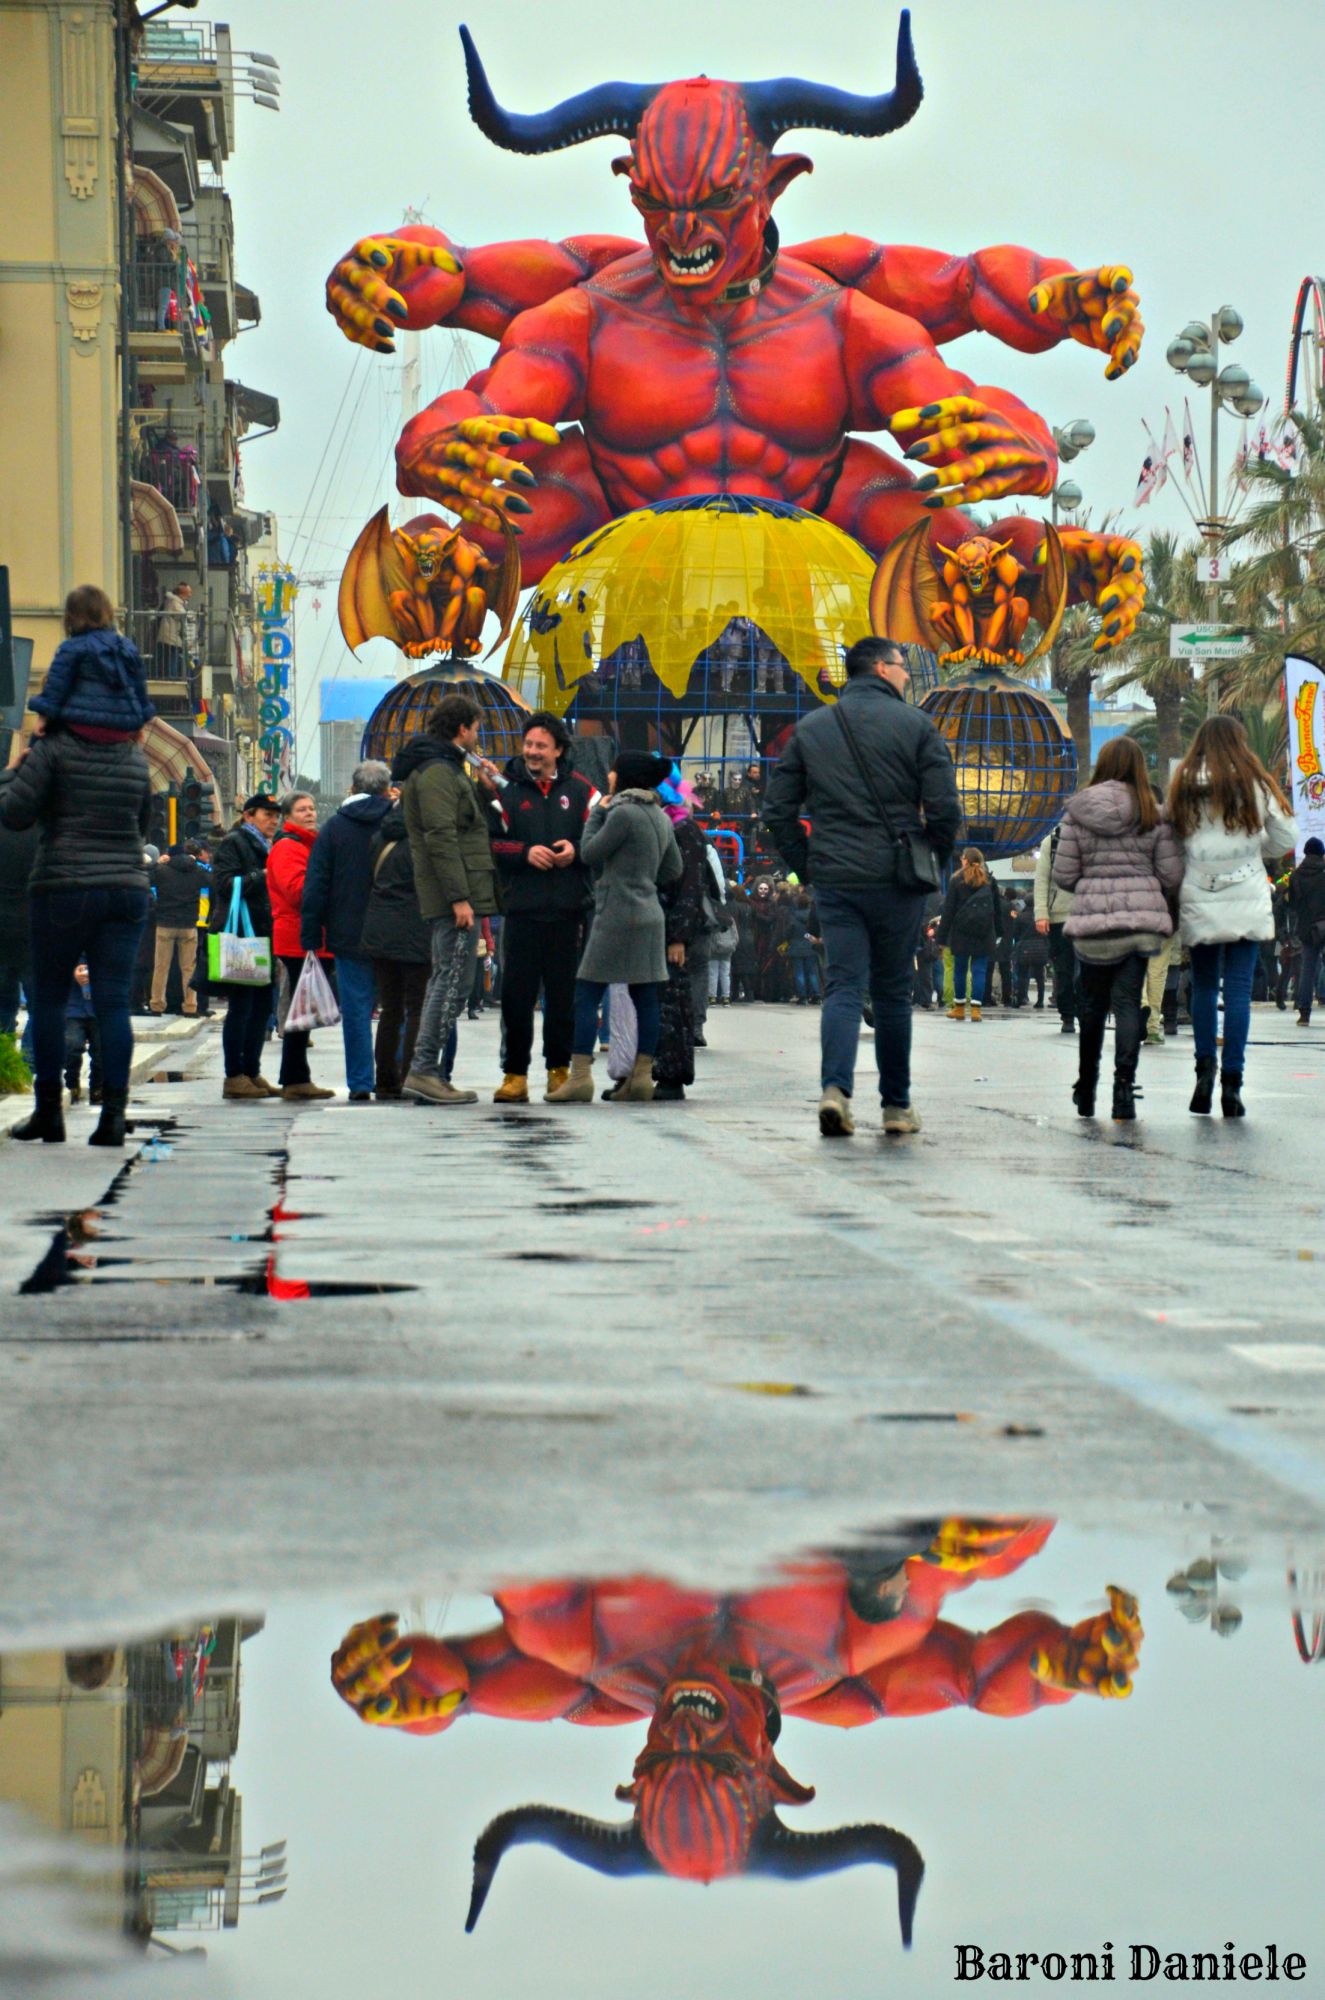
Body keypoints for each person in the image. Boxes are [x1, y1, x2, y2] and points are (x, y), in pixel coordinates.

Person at [763, 634, 960, 1137]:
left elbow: (777, 811)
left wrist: (808, 864)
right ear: (880, 668)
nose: (907, 676)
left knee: (844, 986)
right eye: (902, 667)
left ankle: (835, 1090)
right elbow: (944, 807)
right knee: (893, 991)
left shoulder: (812, 729)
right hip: (898, 879)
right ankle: (895, 1106)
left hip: (837, 876)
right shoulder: (917, 726)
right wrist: (933, 856)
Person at [0, 593, 155, 1146]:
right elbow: (143, 826)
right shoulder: (136, 758)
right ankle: (112, 1117)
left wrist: (15, 771)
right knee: (112, 1001)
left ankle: (50, 1112)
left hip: (63, 886)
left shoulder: (53, 750)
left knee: (47, 999)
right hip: (126, 890)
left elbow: (15, 815)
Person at [1168, 716, 1299, 1117]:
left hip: (1199, 891)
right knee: (1239, 990)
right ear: (1240, 742)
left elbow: (1170, 837)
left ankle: (1204, 1072)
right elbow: (1286, 838)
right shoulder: (1256, 784)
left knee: (1205, 987)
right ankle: (1233, 1083)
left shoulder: (1184, 784)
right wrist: (1252, 850)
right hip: (1245, 890)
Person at [1053, 737, 1184, 1123]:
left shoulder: (1077, 813)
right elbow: (1171, 874)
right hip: (1140, 924)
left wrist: (1094, 885)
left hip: (1093, 924)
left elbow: (1063, 874)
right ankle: (1123, 1089)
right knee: (1128, 1003)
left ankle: (1086, 1086)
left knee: (1092, 1005)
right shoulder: (1153, 813)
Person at [548, 750, 682, 1103]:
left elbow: (590, 851)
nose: (608, 775)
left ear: (623, 777)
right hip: (650, 917)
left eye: (613, 771)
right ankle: (640, 1078)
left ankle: (579, 1078)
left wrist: (597, 812)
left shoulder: (621, 814)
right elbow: (673, 870)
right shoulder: (661, 817)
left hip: (616, 915)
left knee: (587, 991)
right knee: (645, 996)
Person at [487, 710, 598, 1104]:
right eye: (528, 744)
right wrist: (523, 852)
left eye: (541, 746)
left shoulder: (584, 791)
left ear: (559, 749)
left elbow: (601, 842)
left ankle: (559, 1071)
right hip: (521, 911)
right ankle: (514, 1074)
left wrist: (578, 851)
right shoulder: (504, 791)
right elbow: (488, 844)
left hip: (568, 913)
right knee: (516, 997)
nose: (533, 752)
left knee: (564, 997)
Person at [401, 695, 501, 1106]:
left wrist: (484, 787)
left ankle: (427, 1070)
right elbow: (440, 836)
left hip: (460, 892)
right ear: (462, 729)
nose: (478, 738)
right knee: (452, 983)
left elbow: (465, 823)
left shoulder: (448, 769)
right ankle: (425, 1069)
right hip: (455, 897)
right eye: (476, 729)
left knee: (451, 981)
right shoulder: (438, 772)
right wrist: (460, 897)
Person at [299, 761, 395, 1102]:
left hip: (347, 931)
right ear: (387, 789)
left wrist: (311, 932)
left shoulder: (334, 828)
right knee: (396, 1007)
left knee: (355, 1009)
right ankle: (393, 1076)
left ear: (352, 789)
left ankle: (360, 1082)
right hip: (394, 930)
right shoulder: (399, 823)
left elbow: (316, 885)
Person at [361, 760, 436, 1098]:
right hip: (416, 927)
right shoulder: (423, 842)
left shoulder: (380, 837)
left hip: (379, 928)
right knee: (417, 1005)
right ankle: (411, 1076)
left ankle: (385, 1080)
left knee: (390, 1007)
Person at [210, 793, 280, 1102]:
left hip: (263, 933)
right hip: (241, 935)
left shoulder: (268, 845)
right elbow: (224, 884)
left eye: (277, 815)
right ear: (249, 816)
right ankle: (234, 1075)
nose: (274, 820)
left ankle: (251, 1071)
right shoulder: (234, 842)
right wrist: (262, 876)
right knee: (242, 1008)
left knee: (263, 1006)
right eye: (267, 814)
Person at [267, 792, 336, 1101]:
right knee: (300, 1013)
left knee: (302, 1012)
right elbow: (297, 892)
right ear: (288, 816)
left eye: (311, 808)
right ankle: (295, 1079)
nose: (309, 813)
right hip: (297, 938)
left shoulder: (309, 845)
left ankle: (296, 1076)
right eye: (301, 809)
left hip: (310, 937)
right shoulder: (287, 847)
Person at [30, 583, 155, 735]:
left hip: (82, 725)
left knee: (37, 749)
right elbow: (139, 687)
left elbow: (56, 687)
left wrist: (43, 718)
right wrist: (142, 719)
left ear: (71, 616)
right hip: (119, 730)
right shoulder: (126, 646)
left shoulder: (72, 647)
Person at [652, 769, 708, 1102]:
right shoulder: (671, 826)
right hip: (663, 926)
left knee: (672, 1001)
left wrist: (678, 935)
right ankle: (663, 1070)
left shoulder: (684, 830)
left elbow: (690, 887)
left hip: (673, 930)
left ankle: (673, 1074)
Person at [938, 849, 1003, 1024]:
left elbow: (948, 911)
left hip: (961, 933)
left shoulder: (956, 880)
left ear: (965, 860)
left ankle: (959, 1008)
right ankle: (976, 1010)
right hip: (984, 933)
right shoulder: (990, 881)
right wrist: (999, 933)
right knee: (979, 970)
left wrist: (942, 937)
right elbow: (997, 911)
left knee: (959, 970)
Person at [149, 843, 204, 1015]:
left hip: (165, 924)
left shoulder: (162, 871)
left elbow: (146, 876)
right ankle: (190, 1006)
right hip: (189, 925)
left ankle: (157, 1005)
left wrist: (158, 863)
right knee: (189, 968)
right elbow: (211, 879)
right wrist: (195, 862)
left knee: (161, 967)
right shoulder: (196, 870)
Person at [1034, 825, 1078, 1034]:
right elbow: (1042, 878)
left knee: (1090, 970)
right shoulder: (1052, 841)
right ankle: (1067, 1014)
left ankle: (1084, 1011)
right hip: (1060, 915)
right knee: (1064, 970)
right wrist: (1041, 913)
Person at [1289, 837, 1325, 1027]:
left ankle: (1304, 1013)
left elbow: (1292, 903)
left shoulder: (1296, 876)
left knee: (1307, 970)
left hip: (1307, 928)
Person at [64, 962, 102, 1103]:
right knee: (72, 1046)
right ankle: (72, 1085)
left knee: (101, 1051)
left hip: (99, 1007)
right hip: (73, 1007)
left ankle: (97, 1089)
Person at [155, 581, 191, 682]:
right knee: (172, 660)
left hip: (167, 637)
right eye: (188, 592)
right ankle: (172, 678)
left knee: (167, 659)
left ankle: (169, 676)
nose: (190, 595)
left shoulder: (171, 601)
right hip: (170, 638)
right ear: (182, 593)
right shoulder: (175, 603)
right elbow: (182, 615)